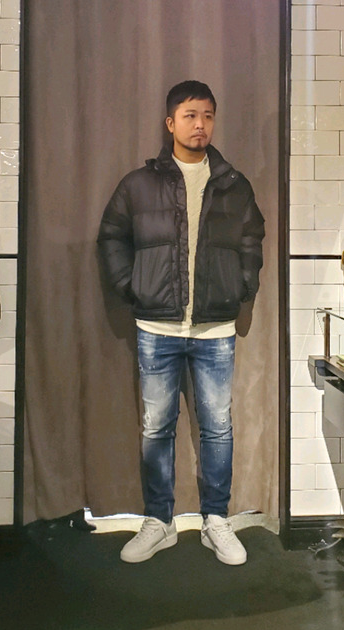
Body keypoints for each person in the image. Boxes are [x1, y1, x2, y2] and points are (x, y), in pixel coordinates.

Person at [97, 80, 264, 566]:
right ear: (170, 123)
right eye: (190, 115)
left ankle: (216, 520)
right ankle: (159, 521)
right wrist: (132, 287)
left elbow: (252, 238)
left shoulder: (234, 184)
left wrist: (243, 285)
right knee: (156, 427)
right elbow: (111, 236)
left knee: (217, 428)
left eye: (208, 115)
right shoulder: (138, 184)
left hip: (216, 330)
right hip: (157, 328)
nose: (200, 125)